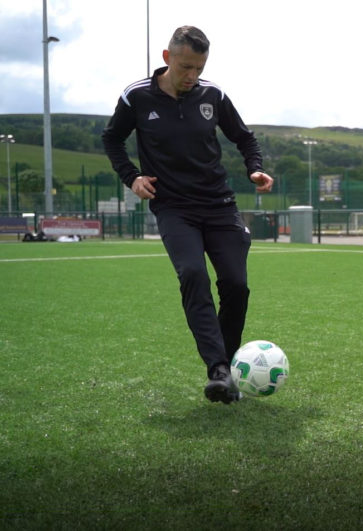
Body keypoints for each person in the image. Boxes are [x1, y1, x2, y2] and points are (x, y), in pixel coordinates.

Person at [102, 26, 274, 404]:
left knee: (236, 285)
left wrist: (254, 168)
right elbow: (111, 138)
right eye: (185, 67)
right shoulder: (136, 96)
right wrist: (131, 178)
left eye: (198, 67)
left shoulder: (213, 94)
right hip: (174, 208)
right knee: (193, 274)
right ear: (167, 58)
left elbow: (244, 137)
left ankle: (226, 366)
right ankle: (218, 369)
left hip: (219, 205)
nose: (192, 76)